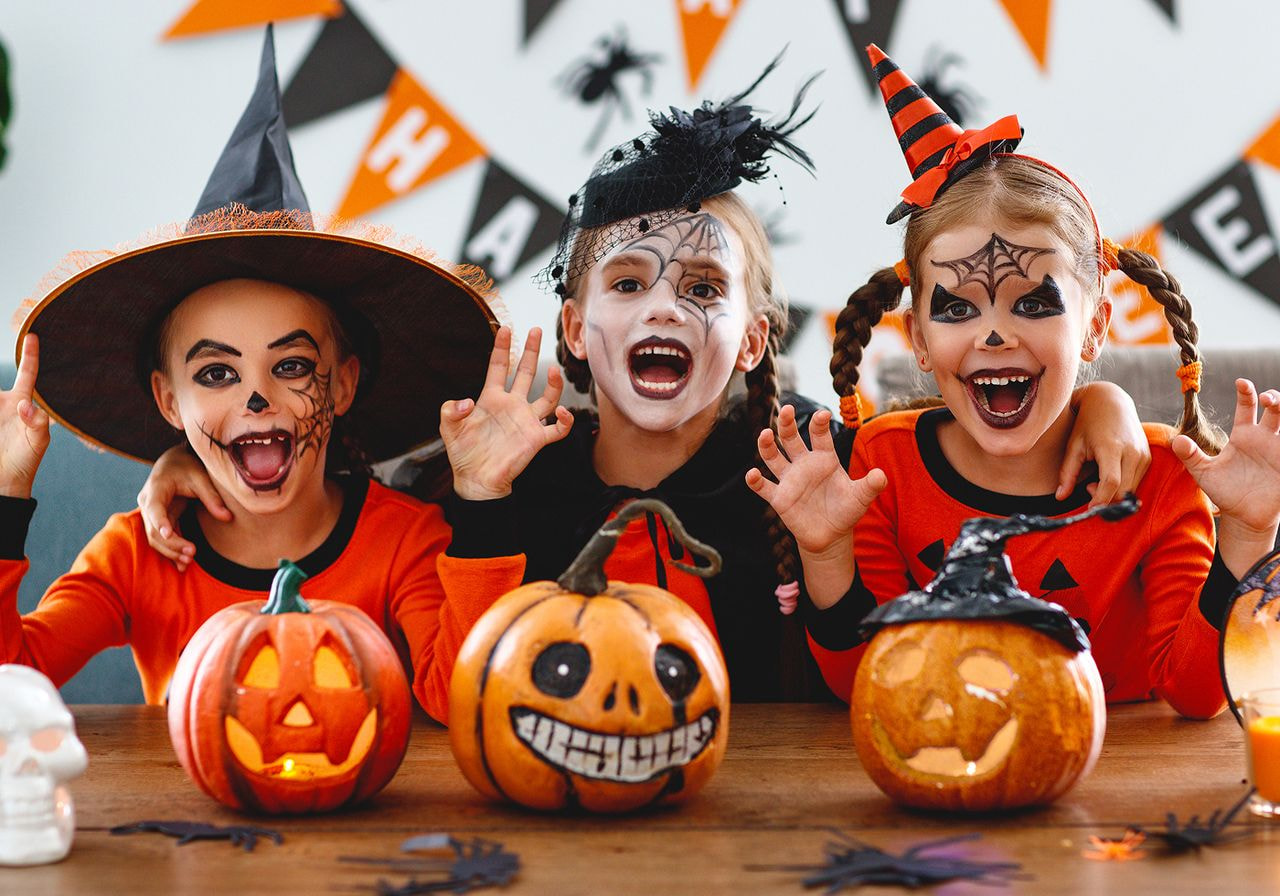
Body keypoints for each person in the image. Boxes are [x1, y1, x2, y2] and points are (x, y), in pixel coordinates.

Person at [141, 60, 1151, 709]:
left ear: (753, 336)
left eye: (703, 287)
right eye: (627, 283)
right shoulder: (501, 467)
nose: (664, 306)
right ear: (576, 328)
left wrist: (1103, 405)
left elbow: (968, 441)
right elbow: (342, 510)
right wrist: (190, 471)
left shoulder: (813, 457)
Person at [748, 45, 1280, 717]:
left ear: (1093, 328)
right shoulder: (882, 468)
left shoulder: (1162, 480)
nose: (993, 334)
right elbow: (868, 688)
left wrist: (1249, 536)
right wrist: (825, 555)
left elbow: (1198, 694)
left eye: (1033, 303)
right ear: (917, 337)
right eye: (958, 308)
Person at [0, 29, 499, 721]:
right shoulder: (140, 555)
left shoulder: (403, 541)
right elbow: (10, 678)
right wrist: (3, 498)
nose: (256, 396)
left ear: (344, 383)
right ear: (167, 399)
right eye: (216, 373)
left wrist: (480, 507)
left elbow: (467, 702)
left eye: (291, 365)